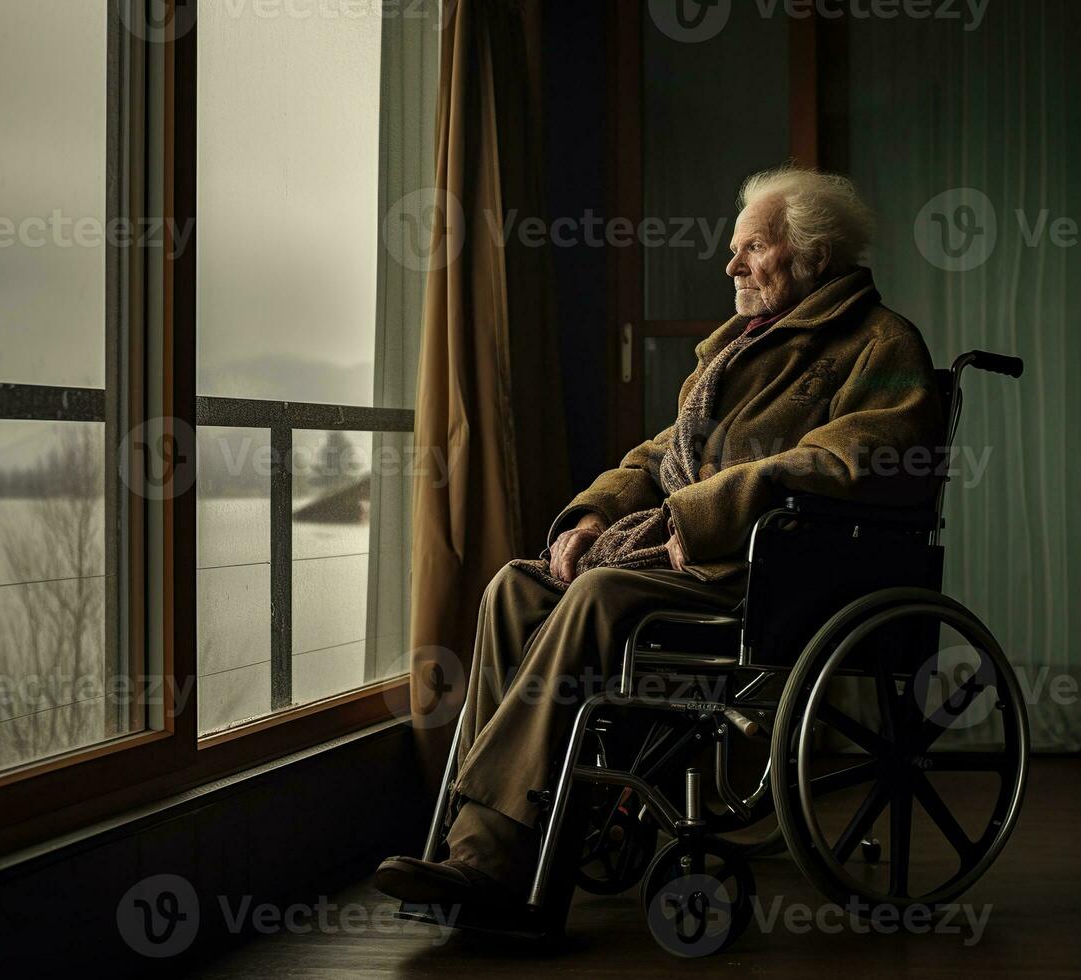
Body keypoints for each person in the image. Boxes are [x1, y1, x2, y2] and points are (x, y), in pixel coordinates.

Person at [376, 165, 945, 909]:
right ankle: (498, 833)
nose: (732, 265)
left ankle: (489, 859)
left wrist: (704, 511)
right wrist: (590, 517)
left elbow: (850, 460)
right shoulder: (738, 346)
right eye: (735, 249)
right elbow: (663, 456)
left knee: (600, 591)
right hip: (687, 547)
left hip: (769, 563)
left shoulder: (881, 344)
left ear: (814, 255)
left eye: (753, 248)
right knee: (515, 586)